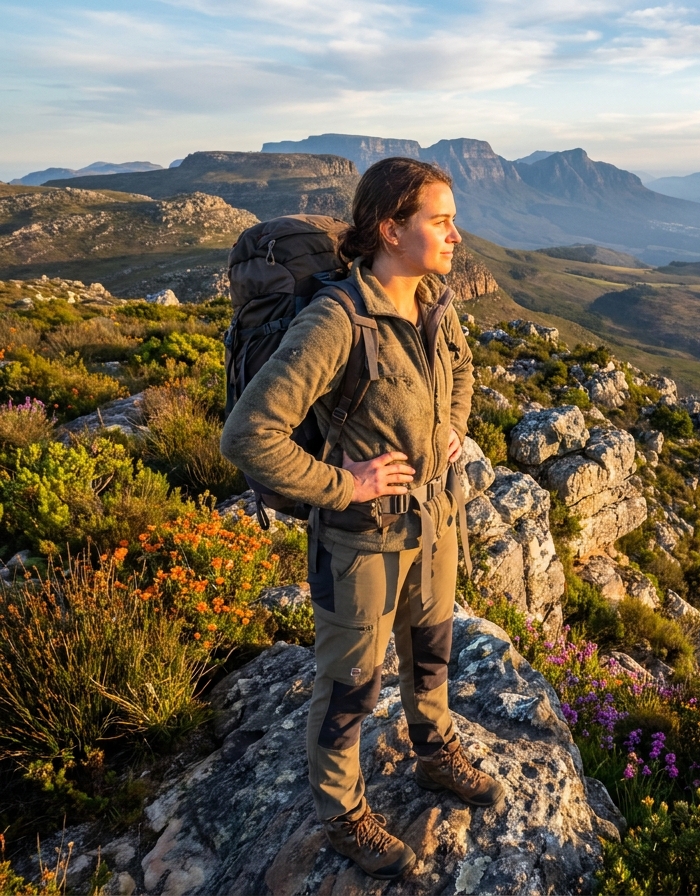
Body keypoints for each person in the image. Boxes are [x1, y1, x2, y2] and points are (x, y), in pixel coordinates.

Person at [221, 157, 503, 881]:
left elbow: (462, 368)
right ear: (390, 228)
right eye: (439, 221)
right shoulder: (337, 320)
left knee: (433, 647)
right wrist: (342, 484)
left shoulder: (431, 299)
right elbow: (249, 435)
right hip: (362, 541)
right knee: (350, 684)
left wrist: (452, 425)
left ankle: (435, 752)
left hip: (434, 522)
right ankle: (344, 815)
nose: (455, 235)